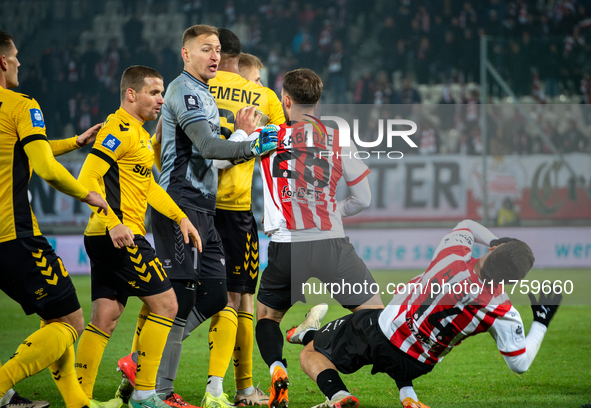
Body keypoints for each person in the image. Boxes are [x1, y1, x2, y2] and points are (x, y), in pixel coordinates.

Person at [115, 25, 277, 408]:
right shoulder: (184, 91)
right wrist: (252, 143)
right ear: (186, 54)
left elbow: (215, 157)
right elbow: (206, 145)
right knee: (181, 299)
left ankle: (140, 364)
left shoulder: (203, 92)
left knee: (217, 295)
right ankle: (160, 389)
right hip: (180, 203)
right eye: (206, 49)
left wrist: (241, 138)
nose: (215, 56)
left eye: (218, 49)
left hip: (205, 205)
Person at [290, 220, 562, 408]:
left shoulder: (452, 255)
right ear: (511, 281)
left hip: (380, 333)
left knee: (312, 351)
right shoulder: (502, 310)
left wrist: (493, 239)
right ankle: (407, 395)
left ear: (492, 249)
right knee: (391, 333)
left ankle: (337, 393)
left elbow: (467, 224)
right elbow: (520, 364)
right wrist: (541, 321)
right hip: (418, 364)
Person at [0, 30, 121, 408]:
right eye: (15, 55)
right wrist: (88, 194)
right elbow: (43, 166)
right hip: (14, 235)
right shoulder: (20, 105)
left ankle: (77, 401)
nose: (20, 61)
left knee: (54, 316)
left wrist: (74, 142)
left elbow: (27, 146)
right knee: (69, 322)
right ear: (3, 61)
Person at [250, 68, 383, 408]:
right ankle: (325, 361)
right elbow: (363, 198)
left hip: (286, 247)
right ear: (318, 101)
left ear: (287, 99)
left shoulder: (267, 137)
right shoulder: (337, 138)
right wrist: (333, 211)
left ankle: (278, 368)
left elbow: (224, 152)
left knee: (266, 318)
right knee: (374, 318)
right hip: (331, 242)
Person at [74, 65, 201, 408]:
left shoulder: (140, 134)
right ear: (132, 94)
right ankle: (146, 394)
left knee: (105, 317)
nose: (161, 99)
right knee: (168, 305)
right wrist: (114, 222)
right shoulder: (118, 129)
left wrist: (180, 217)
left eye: (162, 92)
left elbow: (148, 188)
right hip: (120, 235)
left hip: (103, 236)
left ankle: (80, 399)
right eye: (154, 92)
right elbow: (87, 178)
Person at [181, 28, 285, 408]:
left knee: (177, 295)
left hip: (193, 204)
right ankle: (237, 388)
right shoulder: (261, 96)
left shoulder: (191, 89)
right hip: (236, 208)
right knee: (239, 300)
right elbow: (285, 139)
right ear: (240, 62)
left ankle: (148, 368)